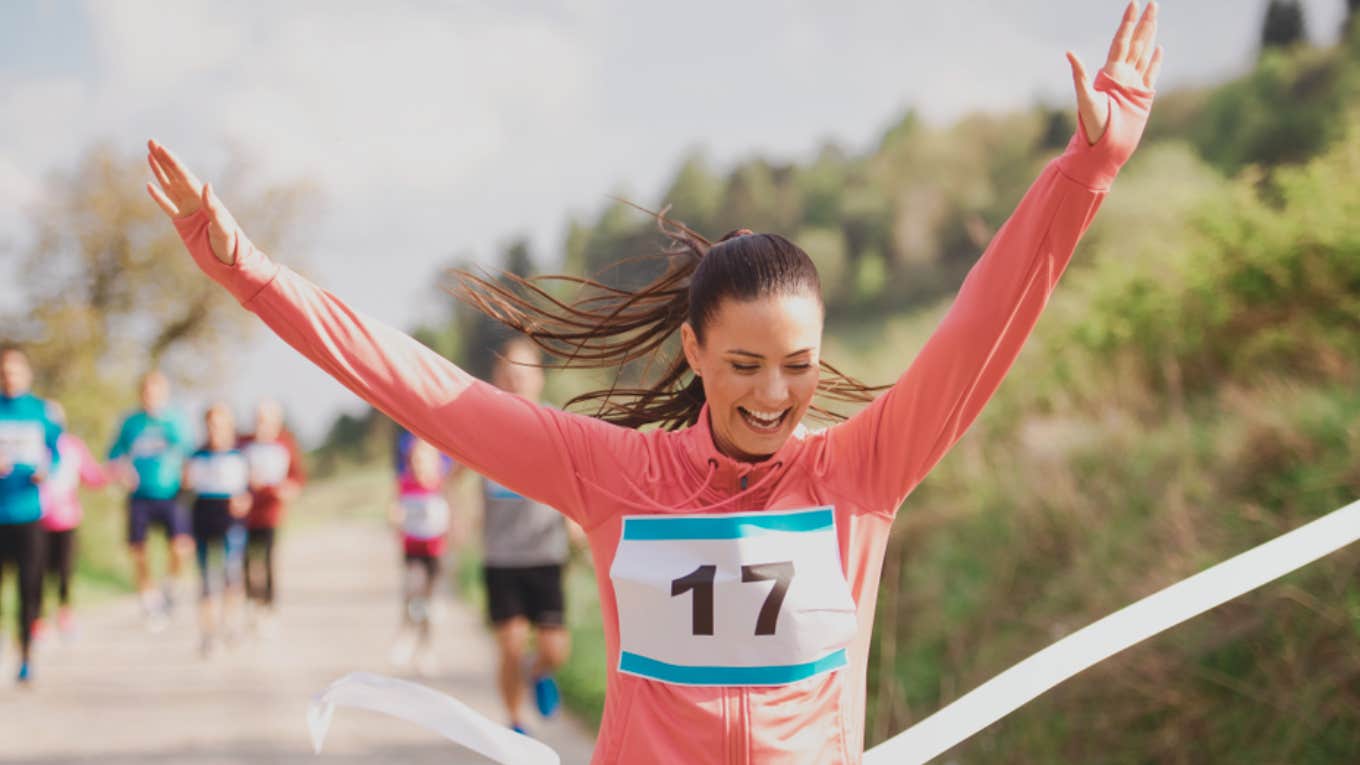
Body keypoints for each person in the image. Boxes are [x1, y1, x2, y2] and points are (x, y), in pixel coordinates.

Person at [147, 4, 1161, 760]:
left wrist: (1086, 170)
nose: (774, 395)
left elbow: (982, 325)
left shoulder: (862, 473)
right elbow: (419, 387)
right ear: (693, 352)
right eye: (744, 365)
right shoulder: (613, 474)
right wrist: (252, 275)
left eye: (798, 367)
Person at [480, 337, 574, 734]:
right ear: (497, 378)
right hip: (502, 556)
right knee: (511, 644)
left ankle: (539, 671)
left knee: (555, 650)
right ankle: (516, 723)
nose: (516, 379)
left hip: (546, 553)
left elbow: (577, 479)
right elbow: (452, 470)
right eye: (509, 372)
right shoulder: (483, 427)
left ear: (540, 378)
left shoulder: (557, 426)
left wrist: (578, 522)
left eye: (524, 372)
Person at [107, 370, 193, 629]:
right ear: (140, 394)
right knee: (138, 550)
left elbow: (189, 453)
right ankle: (149, 598)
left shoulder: (175, 421)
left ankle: (171, 584)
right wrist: (122, 472)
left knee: (181, 547)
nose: (151, 396)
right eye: (146, 392)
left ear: (165, 394)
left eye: (156, 392)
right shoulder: (131, 423)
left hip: (171, 493)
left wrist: (188, 476)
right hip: (140, 495)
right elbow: (114, 456)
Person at [0, 346, 61, 683]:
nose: (10, 377)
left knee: (29, 588)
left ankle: (25, 655)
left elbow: (56, 452)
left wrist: (45, 469)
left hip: (28, 513)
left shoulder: (40, 412)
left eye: (15, 371)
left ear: (27, 375)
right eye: (5, 372)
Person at [35, 402, 109, 640]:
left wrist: (112, 473)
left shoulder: (73, 447)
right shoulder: (34, 446)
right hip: (36, 517)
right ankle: (37, 619)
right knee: (37, 571)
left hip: (67, 519)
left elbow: (92, 476)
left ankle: (65, 613)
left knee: (65, 571)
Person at [183, 403, 250, 657]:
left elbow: (249, 491)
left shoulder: (240, 456)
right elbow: (184, 494)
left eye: (220, 426)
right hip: (203, 519)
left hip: (231, 522)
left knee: (231, 576)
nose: (215, 431)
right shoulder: (196, 457)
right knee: (206, 580)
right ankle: (208, 634)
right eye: (211, 425)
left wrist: (245, 501)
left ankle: (230, 625)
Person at [387, 437, 454, 676]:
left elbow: (452, 515)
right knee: (412, 593)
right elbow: (395, 510)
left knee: (429, 604)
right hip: (412, 550)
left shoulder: (441, 485)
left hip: (435, 552)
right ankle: (405, 636)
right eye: (415, 460)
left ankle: (426, 649)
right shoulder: (404, 483)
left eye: (424, 460)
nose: (419, 465)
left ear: (435, 462)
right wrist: (395, 519)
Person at [238, 398, 305, 634]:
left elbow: (297, 477)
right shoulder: (243, 443)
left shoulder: (285, 443)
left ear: (277, 422)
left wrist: (287, 490)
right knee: (245, 560)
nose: (262, 425)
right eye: (258, 420)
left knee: (267, 560)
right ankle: (250, 601)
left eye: (267, 420)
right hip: (246, 513)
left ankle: (268, 606)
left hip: (271, 512)